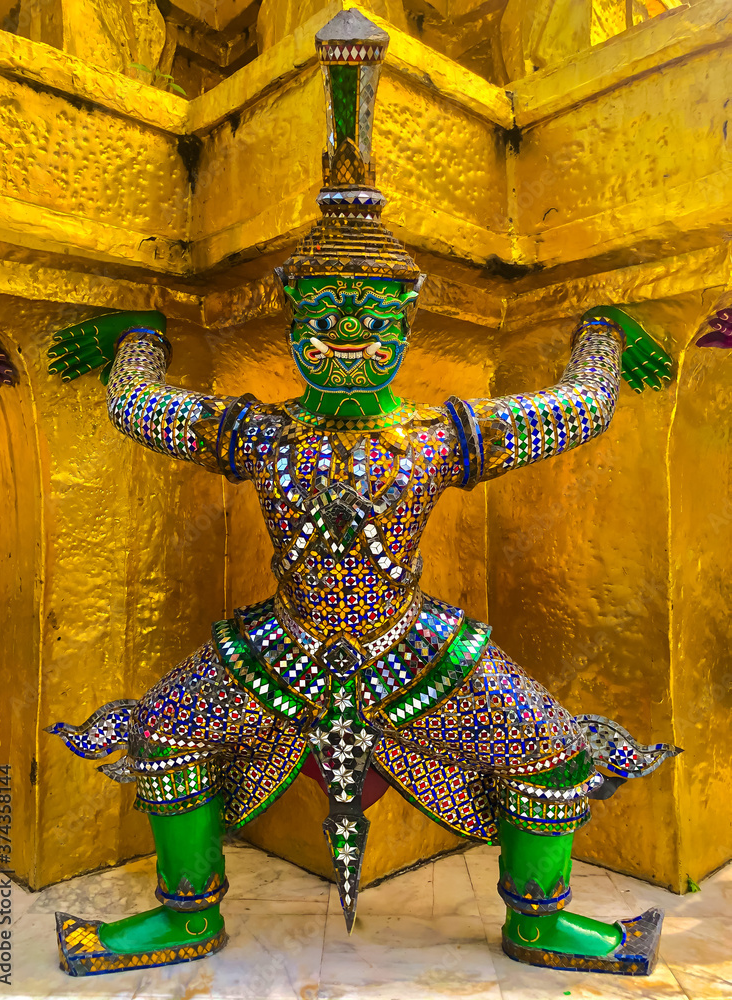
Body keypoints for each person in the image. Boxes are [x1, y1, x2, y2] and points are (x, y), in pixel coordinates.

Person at [48, 10, 678, 978]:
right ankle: (185, 911)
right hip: (283, 646)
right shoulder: (263, 435)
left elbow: (575, 411)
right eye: (325, 310)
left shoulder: (434, 438)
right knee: (166, 732)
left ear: (406, 316)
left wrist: (600, 338)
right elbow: (143, 409)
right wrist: (136, 336)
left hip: (410, 648)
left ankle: (541, 916)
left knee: (550, 748)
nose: (344, 332)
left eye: (369, 311)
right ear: (293, 312)